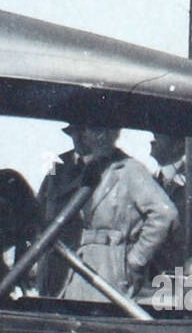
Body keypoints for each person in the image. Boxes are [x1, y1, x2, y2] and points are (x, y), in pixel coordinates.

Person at [36, 123, 177, 300]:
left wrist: (136, 259)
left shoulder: (128, 169)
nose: (81, 137)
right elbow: (39, 213)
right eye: (76, 132)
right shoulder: (62, 167)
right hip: (68, 271)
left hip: (109, 270)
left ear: (109, 134)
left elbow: (164, 214)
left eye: (88, 130)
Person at [149, 133, 192, 273]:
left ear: (180, 145)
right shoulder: (150, 181)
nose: (153, 139)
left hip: (175, 277)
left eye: (160, 133)